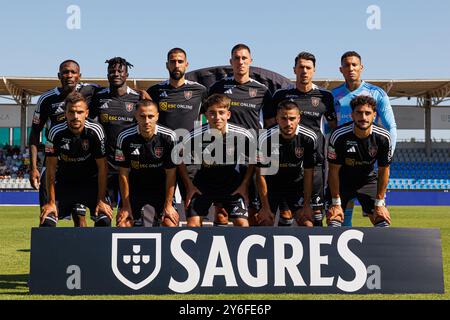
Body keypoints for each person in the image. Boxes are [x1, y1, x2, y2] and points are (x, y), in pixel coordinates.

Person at [208, 43, 274, 225]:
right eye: (236, 58)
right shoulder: (218, 87)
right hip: (222, 157)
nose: (240, 62)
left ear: (250, 61)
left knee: (251, 210)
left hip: (250, 158)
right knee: (221, 212)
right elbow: (206, 118)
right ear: (231, 62)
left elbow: (269, 125)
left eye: (244, 58)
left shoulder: (262, 91)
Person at [332, 51, 397, 226]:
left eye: (354, 65)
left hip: (368, 160)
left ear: (361, 67)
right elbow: (328, 128)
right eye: (347, 65)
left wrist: (386, 155)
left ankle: (381, 251)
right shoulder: (333, 95)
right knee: (341, 215)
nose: (351, 68)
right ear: (341, 69)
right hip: (342, 163)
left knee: (379, 216)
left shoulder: (377, 93)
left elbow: (391, 126)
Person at [272, 52, 337, 226]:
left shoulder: (325, 96)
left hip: (314, 164)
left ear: (314, 70)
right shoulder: (280, 96)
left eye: (308, 68)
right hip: (286, 164)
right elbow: (270, 126)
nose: (304, 71)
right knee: (286, 215)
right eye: (301, 67)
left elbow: (333, 127)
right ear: (294, 69)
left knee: (314, 217)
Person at [29, 60, 99, 209]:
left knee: (79, 216)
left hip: (81, 163)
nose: (69, 75)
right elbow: (35, 133)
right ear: (59, 75)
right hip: (55, 162)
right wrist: (33, 167)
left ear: (79, 76)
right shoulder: (46, 99)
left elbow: (114, 92)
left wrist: (139, 93)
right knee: (47, 211)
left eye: (73, 72)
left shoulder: (91, 90)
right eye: (65, 72)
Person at [179, 94, 256, 227]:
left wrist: (244, 185)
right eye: (212, 113)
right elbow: (178, 158)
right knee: (192, 224)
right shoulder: (195, 135)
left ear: (228, 114)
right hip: (203, 185)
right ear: (206, 116)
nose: (217, 117)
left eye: (221, 113)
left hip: (231, 185)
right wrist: (189, 186)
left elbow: (255, 159)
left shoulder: (242, 134)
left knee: (243, 225)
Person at [40, 92, 113, 227]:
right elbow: (50, 168)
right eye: (71, 112)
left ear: (86, 113)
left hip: (91, 184)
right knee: (47, 222)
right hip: (65, 184)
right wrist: (50, 201)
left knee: (104, 221)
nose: (75, 116)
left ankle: (96, 248)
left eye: (79, 112)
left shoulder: (96, 130)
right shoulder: (55, 132)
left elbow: (103, 167)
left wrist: (101, 199)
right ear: (65, 113)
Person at [146, 48, 207, 207]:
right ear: (167, 65)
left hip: (191, 158)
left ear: (186, 64)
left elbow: (212, 119)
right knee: (164, 211)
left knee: (194, 209)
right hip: (163, 158)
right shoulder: (155, 91)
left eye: (180, 61)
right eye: (173, 62)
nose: (176, 65)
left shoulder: (199, 91)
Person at [327, 95, 392, 228]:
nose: (363, 117)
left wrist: (380, 202)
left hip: (367, 180)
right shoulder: (339, 135)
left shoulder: (383, 137)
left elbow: (384, 170)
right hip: (342, 182)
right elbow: (333, 171)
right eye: (359, 113)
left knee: (382, 221)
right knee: (334, 221)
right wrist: (336, 203)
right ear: (352, 115)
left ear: (374, 115)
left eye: (368, 113)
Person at [115, 100, 179, 227]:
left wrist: (168, 205)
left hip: (160, 189)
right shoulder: (124, 137)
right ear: (136, 116)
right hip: (135, 189)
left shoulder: (169, 137)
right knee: (123, 224)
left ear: (157, 116)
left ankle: (157, 219)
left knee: (170, 224)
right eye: (142, 116)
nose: (147, 121)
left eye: (151, 116)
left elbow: (171, 174)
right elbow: (123, 173)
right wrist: (126, 206)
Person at [90, 57, 141, 209]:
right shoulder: (98, 97)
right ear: (107, 75)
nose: (116, 74)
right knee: (102, 216)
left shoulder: (138, 98)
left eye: (120, 71)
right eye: (112, 71)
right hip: (107, 165)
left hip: (131, 166)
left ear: (127, 75)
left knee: (129, 216)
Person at [257, 100, 318, 227]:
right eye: (284, 119)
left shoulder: (308, 137)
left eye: (292, 118)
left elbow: (308, 173)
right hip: (271, 186)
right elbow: (260, 175)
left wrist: (307, 205)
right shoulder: (265, 137)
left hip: (295, 186)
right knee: (265, 221)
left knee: (308, 224)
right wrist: (265, 207)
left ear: (299, 119)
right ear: (277, 119)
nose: (288, 123)